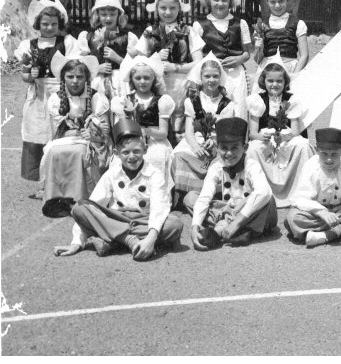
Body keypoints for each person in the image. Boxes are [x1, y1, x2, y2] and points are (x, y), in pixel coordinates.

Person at [53, 119, 183, 260]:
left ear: (145, 150)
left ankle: (112, 241)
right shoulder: (112, 174)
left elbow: (159, 206)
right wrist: (76, 243)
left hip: (144, 221)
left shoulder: (154, 174)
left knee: (174, 224)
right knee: (80, 207)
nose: (132, 156)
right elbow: (94, 202)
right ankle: (129, 241)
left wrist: (151, 238)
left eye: (136, 151)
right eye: (126, 152)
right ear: (116, 152)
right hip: (117, 219)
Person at [186, 117, 278, 249]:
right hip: (227, 210)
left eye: (234, 148)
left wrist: (237, 221)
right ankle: (234, 230)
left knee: (268, 200)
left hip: (249, 213)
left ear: (245, 147)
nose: (228, 153)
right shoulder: (216, 167)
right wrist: (195, 226)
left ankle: (228, 229)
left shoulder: (252, 165)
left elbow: (263, 192)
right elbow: (205, 196)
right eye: (223, 148)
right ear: (217, 148)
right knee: (190, 198)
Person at [15, 0, 77, 191]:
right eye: (45, 24)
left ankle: (61, 182)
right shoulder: (29, 45)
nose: (49, 27)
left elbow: (74, 67)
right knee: (38, 135)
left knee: (58, 135)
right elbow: (24, 74)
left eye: (54, 24)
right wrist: (30, 75)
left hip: (59, 92)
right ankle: (43, 183)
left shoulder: (66, 42)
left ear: (60, 24)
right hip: (38, 95)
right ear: (37, 24)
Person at [40, 54, 111, 218]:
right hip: (65, 139)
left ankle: (82, 199)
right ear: (63, 78)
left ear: (86, 78)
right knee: (55, 152)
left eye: (79, 77)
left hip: (93, 141)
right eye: (70, 76)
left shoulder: (97, 97)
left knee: (80, 153)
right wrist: (79, 130)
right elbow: (56, 133)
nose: (75, 81)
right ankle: (58, 198)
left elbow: (104, 133)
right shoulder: (56, 99)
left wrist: (92, 133)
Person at [285, 128, 341, 247]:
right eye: (324, 154)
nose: (329, 159)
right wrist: (322, 212)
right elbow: (301, 198)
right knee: (293, 218)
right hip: (319, 216)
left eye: (334, 154)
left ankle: (326, 235)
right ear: (317, 150)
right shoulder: (311, 165)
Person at [134, 0, 204, 140]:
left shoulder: (188, 31)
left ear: (179, 9)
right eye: (163, 8)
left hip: (181, 85)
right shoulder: (149, 32)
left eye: (172, 8)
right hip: (156, 86)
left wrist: (175, 67)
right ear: (157, 8)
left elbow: (199, 62)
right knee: (158, 117)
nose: (167, 12)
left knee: (179, 121)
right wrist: (156, 60)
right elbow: (139, 62)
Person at [170, 54, 238, 208]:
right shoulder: (192, 101)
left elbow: (227, 131)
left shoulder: (227, 103)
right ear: (200, 77)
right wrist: (195, 146)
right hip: (196, 140)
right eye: (207, 76)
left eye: (215, 76)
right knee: (178, 156)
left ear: (220, 77)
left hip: (218, 141)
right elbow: (188, 131)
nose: (211, 80)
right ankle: (183, 194)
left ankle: (212, 192)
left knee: (222, 161)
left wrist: (214, 141)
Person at [245, 56, 314, 207]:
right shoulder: (257, 100)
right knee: (253, 147)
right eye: (271, 81)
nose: (275, 84)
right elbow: (252, 133)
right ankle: (260, 192)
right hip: (265, 137)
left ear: (285, 83)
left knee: (302, 145)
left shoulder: (291, 99)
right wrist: (262, 137)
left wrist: (285, 137)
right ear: (264, 81)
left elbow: (295, 131)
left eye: (279, 81)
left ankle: (300, 192)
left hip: (286, 137)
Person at [110, 55, 175, 185]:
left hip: (155, 141)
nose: (142, 81)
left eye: (147, 78)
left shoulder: (162, 101)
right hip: (130, 142)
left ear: (153, 79)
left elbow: (163, 133)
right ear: (132, 80)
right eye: (138, 78)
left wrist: (146, 130)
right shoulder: (123, 101)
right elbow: (121, 129)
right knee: (121, 159)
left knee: (155, 156)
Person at [192, 0, 252, 118]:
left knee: (239, 107)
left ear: (230, 2)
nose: (220, 3)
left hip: (236, 73)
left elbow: (247, 53)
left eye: (224, 0)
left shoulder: (240, 23)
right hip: (213, 74)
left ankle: (239, 137)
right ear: (208, 1)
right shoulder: (199, 25)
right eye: (216, 0)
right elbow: (197, 55)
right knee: (214, 109)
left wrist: (240, 58)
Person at [76, 0, 139, 99]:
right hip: (97, 81)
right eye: (104, 15)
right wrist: (96, 68)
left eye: (112, 14)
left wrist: (118, 59)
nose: (108, 19)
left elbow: (136, 66)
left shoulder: (128, 37)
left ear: (119, 15)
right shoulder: (88, 37)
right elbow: (79, 64)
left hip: (120, 82)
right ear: (97, 15)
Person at [252, 0, 309, 77]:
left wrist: (294, 75)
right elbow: (257, 60)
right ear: (267, 2)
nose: (277, 6)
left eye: (281, 1)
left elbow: (304, 55)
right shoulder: (261, 25)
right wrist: (258, 47)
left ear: (287, 0)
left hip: (290, 69)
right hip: (267, 71)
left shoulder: (298, 24)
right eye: (273, 2)